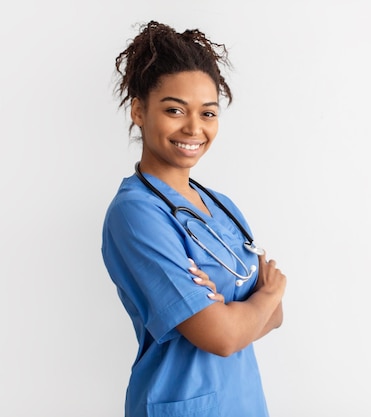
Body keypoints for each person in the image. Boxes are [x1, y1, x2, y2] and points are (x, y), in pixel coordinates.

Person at [101, 20, 286, 417]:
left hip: (245, 403)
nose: (194, 128)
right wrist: (264, 296)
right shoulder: (136, 214)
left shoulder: (221, 207)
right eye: (174, 110)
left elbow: (275, 320)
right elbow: (220, 336)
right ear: (138, 110)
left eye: (208, 113)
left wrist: (238, 313)